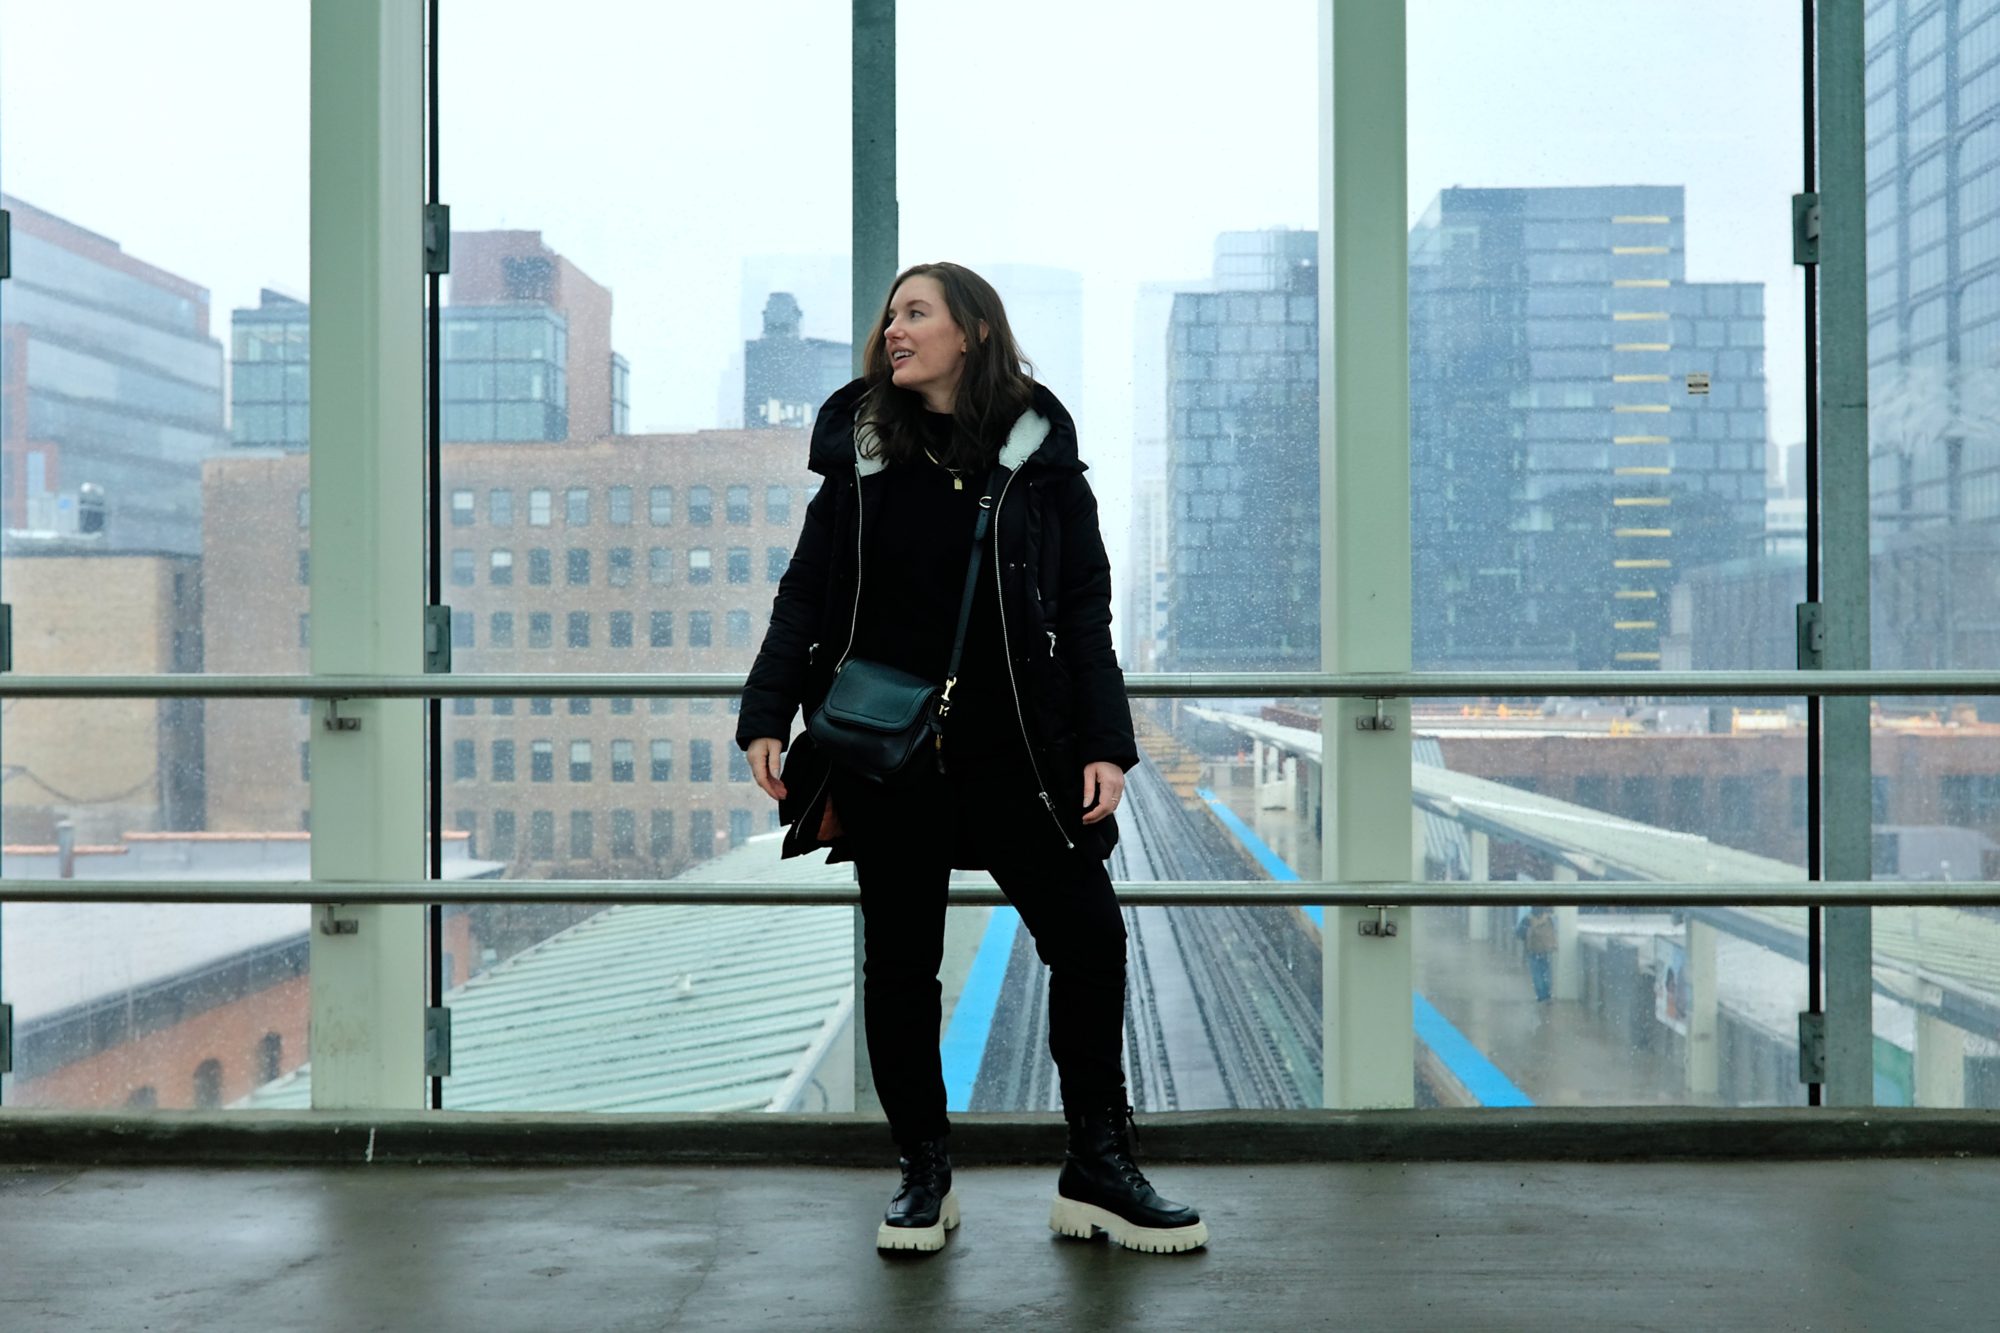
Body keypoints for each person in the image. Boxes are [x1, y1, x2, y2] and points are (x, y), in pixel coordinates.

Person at [736, 262, 1206, 1256]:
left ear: (973, 332)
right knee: (901, 966)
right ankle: (922, 1174)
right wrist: (764, 710)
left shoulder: (1038, 462)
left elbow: (1083, 614)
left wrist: (1106, 747)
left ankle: (1097, 1167)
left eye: (915, 313)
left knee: (1087, 941)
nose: (892, 331)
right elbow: (806, 591)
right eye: (888, 317)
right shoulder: (864, 458)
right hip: (887, 755)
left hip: (1019, 754)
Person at [1518, 904, 1558, 1003]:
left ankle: (1540, 995)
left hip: (1533, 949)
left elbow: (1520, 933)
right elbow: (1556, 929)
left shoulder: (1527, 919)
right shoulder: (1549, 918)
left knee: (1536, 973)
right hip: (1546, 949)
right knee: (1546, 972)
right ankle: (1547, 994)